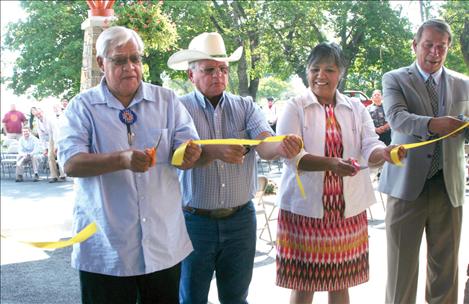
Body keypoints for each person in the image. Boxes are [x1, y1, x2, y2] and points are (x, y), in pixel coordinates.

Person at [57, 26, 202, 304]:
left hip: (163, 244)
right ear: (101, 63)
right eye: (119, 60)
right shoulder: (82, 107)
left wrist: (190, 155)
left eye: (135, 59)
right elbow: (71, 163)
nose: (130, 67)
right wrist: (121, 159)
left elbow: (186, 147)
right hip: (107, 249)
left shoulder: (167, 100)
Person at [167, 32, 302, 304]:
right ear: (191, 76)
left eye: (223, 69)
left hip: (241, 219)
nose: (218, 75)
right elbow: (176, 157)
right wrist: (213, 152)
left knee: (237, 298)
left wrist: (282, 146)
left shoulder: (246, 106)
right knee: (192, 298)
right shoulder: (178, 109)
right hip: (194, 221)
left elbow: (264, 144)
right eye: (209, 70)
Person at [275, 42, 405, 304]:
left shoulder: (355, 107)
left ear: (340, 73)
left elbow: (370, 145)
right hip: (305, 212)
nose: (321, 75)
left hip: (346, 210)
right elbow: (293, 158)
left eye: (329, 70)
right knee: (304, 284)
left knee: (341, 283)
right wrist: (331, 164)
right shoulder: (295, 106)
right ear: (307, 71)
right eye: (315, 69)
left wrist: (386, 154)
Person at [378, 19, 469, 304]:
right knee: (400, 273)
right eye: (428, 45)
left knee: (445, 272)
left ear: (448, 48)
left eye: (441, 46)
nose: (434, 52)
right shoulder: (394, 78)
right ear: (415, 45)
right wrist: (435, 124)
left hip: (448, 188)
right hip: (406, 188)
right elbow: (397, 118)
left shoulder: (463, 83)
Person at [47, 102, 66, 183]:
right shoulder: (50, 118)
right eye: (54, 107)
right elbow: (50, 131)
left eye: (57, 106)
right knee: (50, 156)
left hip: (63, 138)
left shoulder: (65, 115)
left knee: (60, 155)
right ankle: (54, 175)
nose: (55, 108)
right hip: (53, 138)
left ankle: (63, 175)